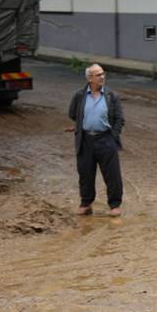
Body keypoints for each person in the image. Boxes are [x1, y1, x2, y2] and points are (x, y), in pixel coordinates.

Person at [67, 63, 125, 217]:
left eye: (103, 73)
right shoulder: (79, 96)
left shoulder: (111, 96)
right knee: (85, 173)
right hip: (85, 140)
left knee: (112, 175)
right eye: (98, 75)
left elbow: (119, 118)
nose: (102, 77)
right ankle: (86, 204)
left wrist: (113, 136)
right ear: (90, 78)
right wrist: (82, 125)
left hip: (106, 139)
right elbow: (73, 114)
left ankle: (114, 205)